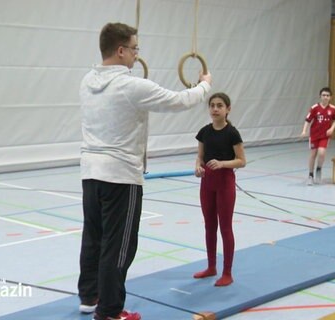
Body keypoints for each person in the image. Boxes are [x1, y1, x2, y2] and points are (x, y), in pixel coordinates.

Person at [78, 22, 212, 320]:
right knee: (119, 245)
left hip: (90, 173)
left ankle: (89, 296)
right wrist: (204, 84)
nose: (137, 56)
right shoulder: (131, 85)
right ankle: (110, 311)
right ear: (121, 50)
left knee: (93, 237)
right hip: (121, 176)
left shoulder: (87, 81)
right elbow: (179, 101)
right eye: (135, 49)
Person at [193, 92, 246, 287]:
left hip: (225, 183)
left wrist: (223, 164)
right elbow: (200, 156)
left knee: (225, 227)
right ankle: (211, 267)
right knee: (209, 225)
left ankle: (227, 272)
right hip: (207, 183)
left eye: (220, 105)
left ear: (227, 109)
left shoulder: (232, 133)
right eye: (212, 105)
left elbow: (242, 161)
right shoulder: (204, 132)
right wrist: (198, 167)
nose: (215, 109)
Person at [301, 87, 335, 185]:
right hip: (314, 135)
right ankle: (310, 175)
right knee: (313, 154)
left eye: (327, 95)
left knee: (321, 153)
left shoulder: (333, 109)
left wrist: (331, 129)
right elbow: (307, 120)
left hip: (325, 135)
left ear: (330, 97)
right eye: (323, 95)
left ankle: (319, 169)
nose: (325, 97)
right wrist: (304, 130)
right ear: (320, 96)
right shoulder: (314, 108)